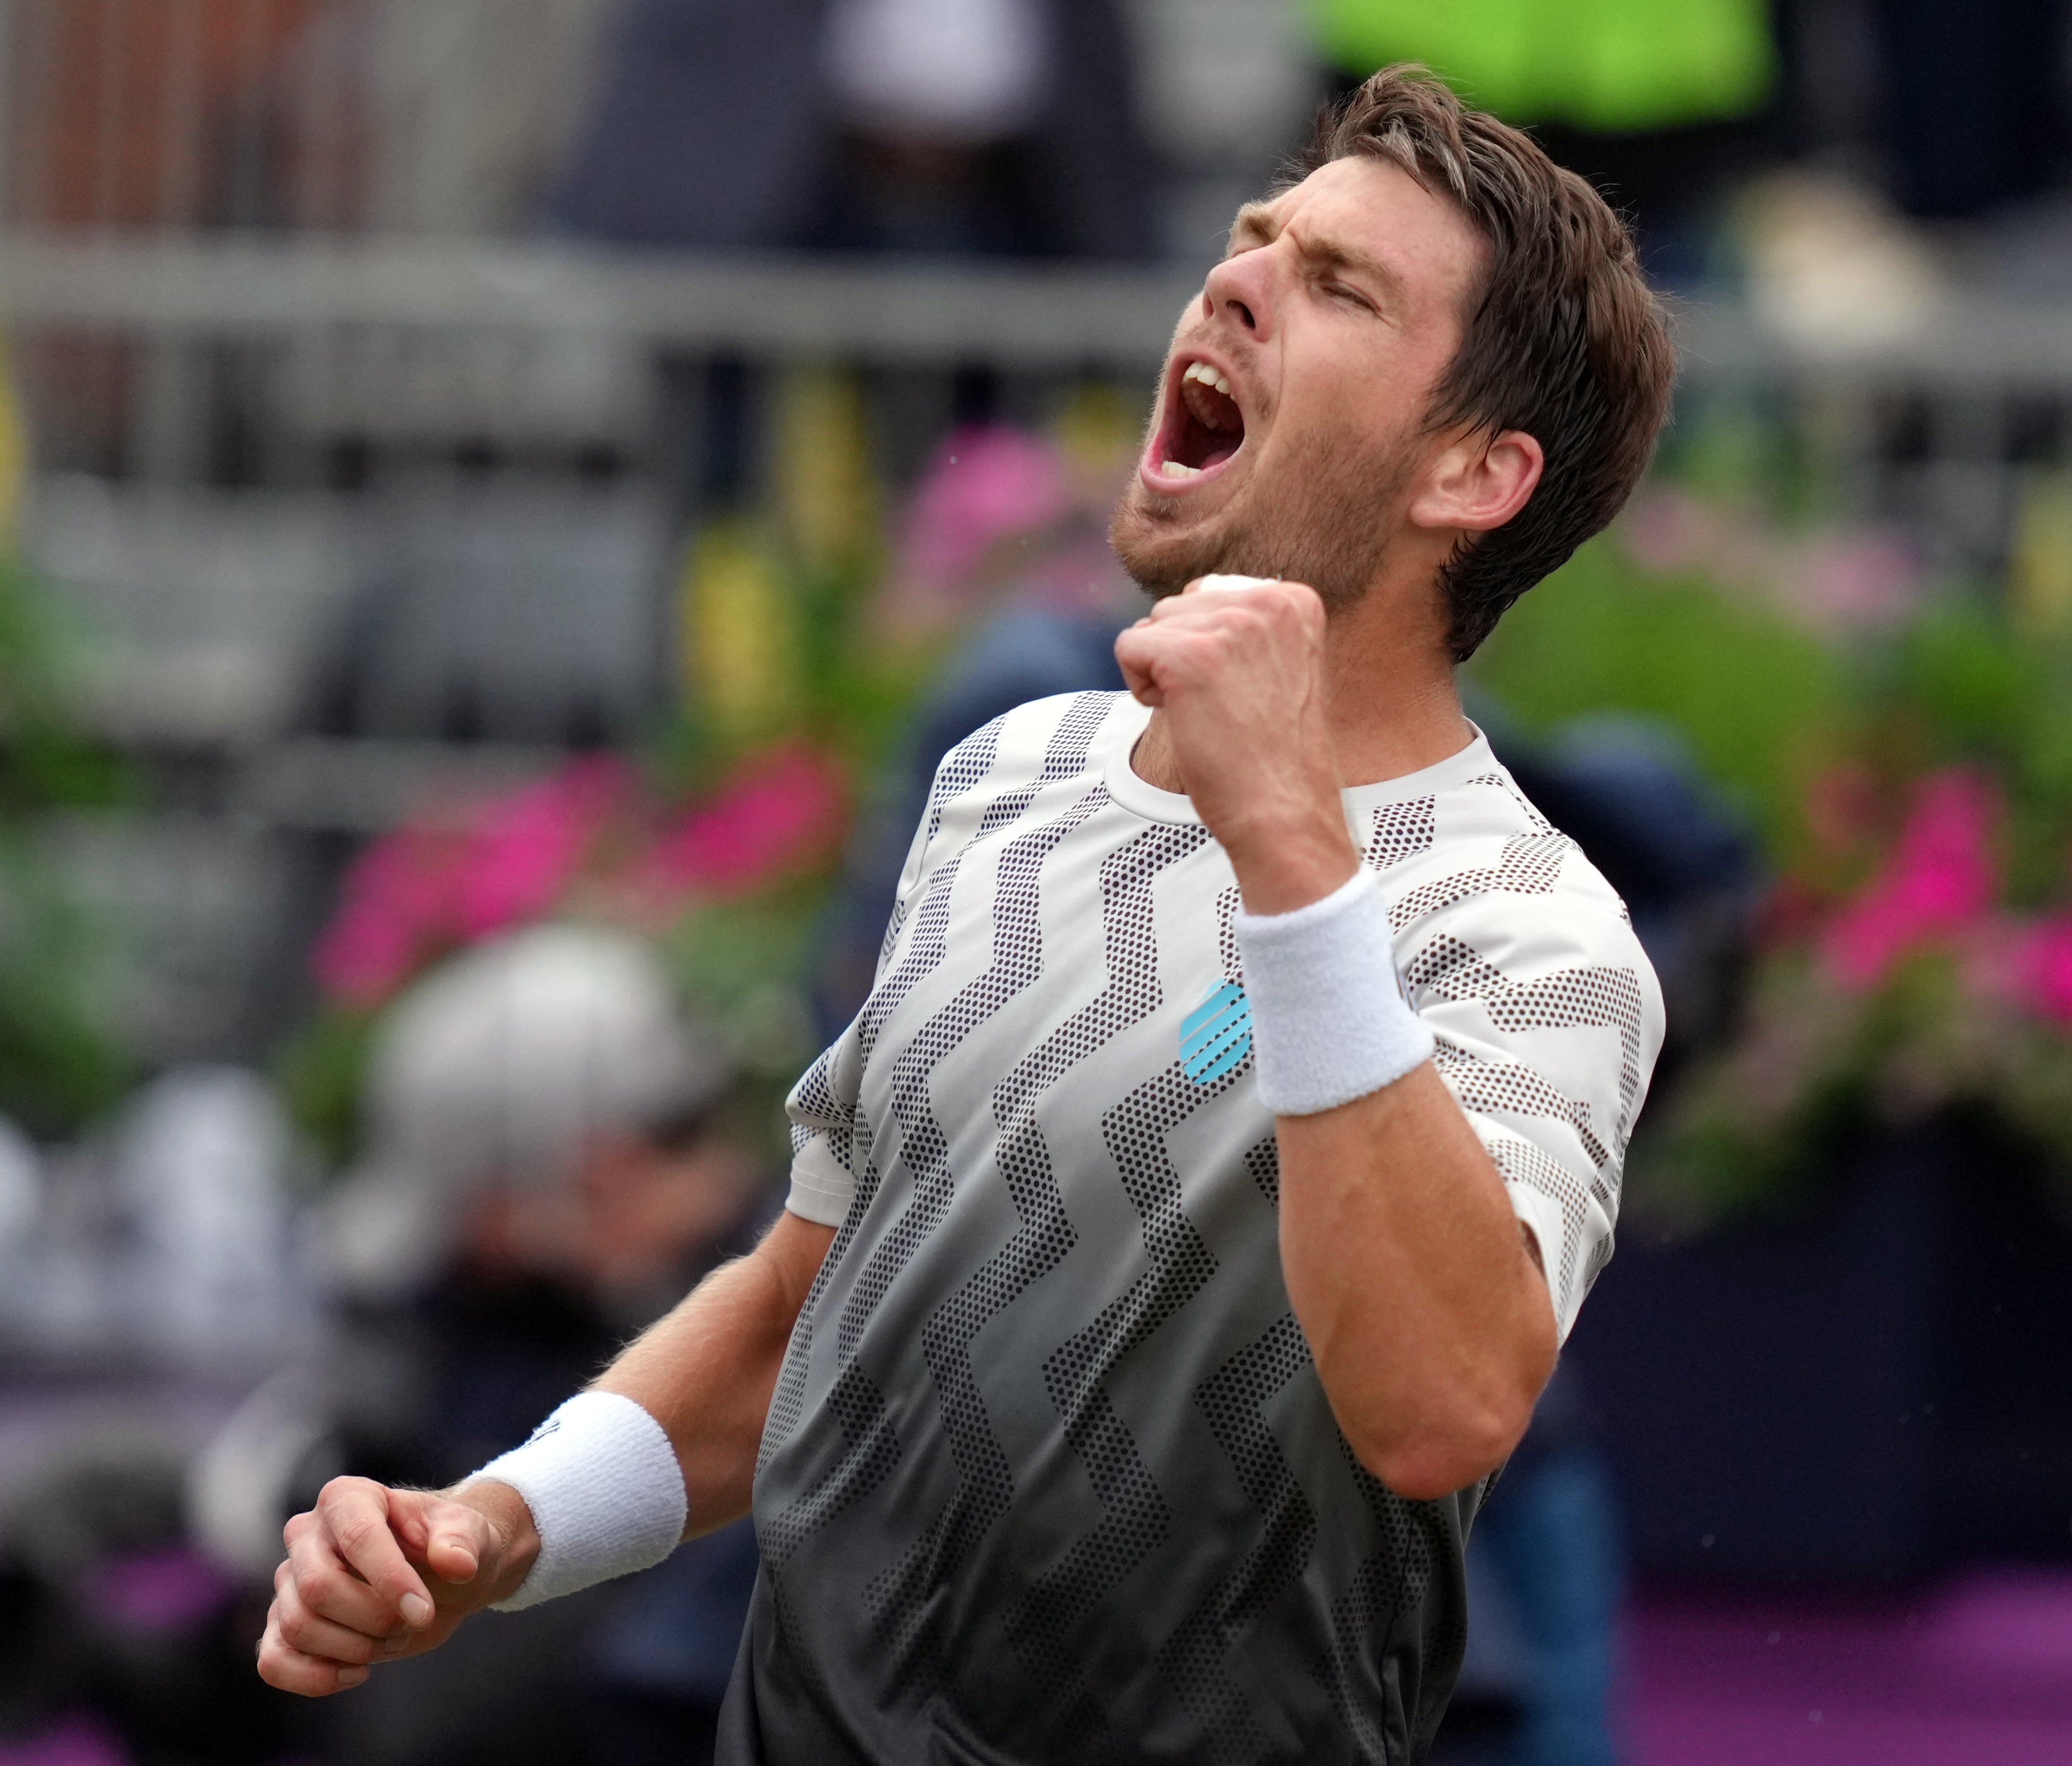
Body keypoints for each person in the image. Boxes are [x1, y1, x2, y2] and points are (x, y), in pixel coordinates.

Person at [257, 66, 1676, 1764]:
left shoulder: (1534, 929)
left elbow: (1444, 1410)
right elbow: (812, 1298)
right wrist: (499, 1526)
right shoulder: (1009, 771)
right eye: (1254, 242)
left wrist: (1294, 851)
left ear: (1476, 474)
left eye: (1340, 287)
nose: (1237, 283)